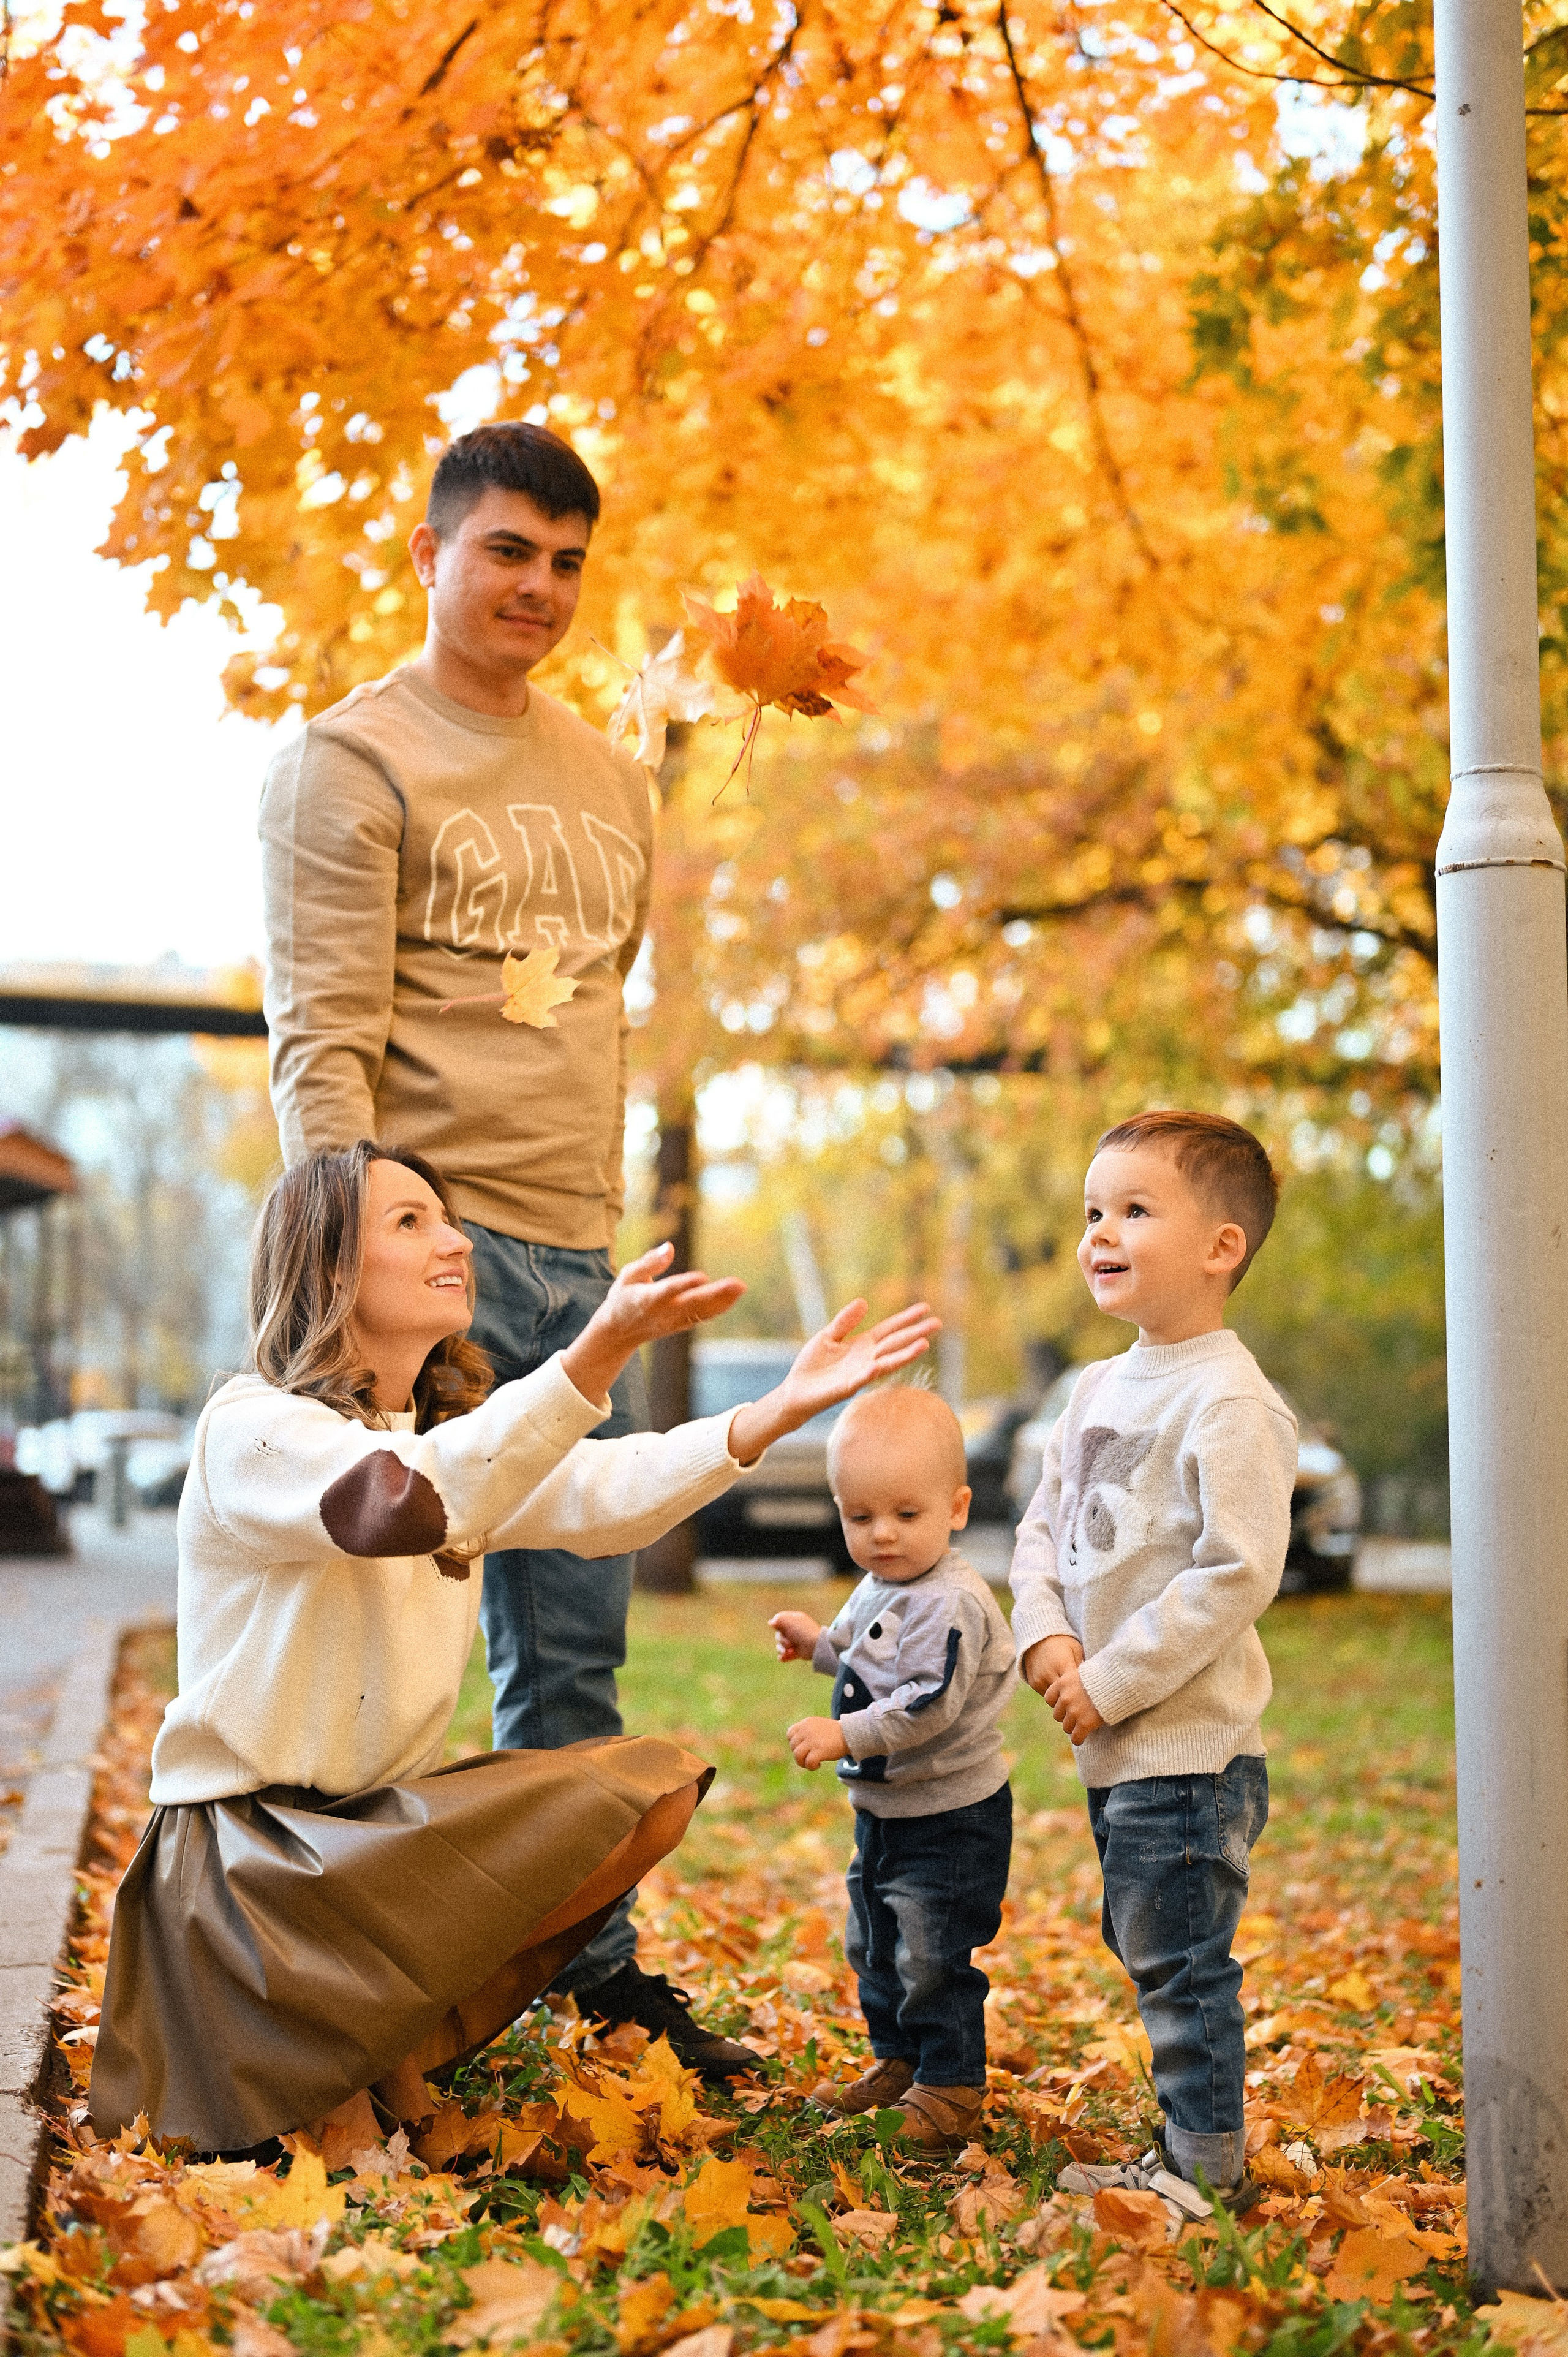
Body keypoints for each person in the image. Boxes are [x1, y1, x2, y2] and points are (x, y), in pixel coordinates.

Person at [89, 1142, 938, 2162]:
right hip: (245, 1872)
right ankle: (331, 2065)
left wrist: (776, 1410)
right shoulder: (254, 1428)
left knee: (648, 1789)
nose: (454, 1240)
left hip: (366, 1837)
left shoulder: (445, 1440)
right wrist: (594, 1353)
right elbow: (400, 1499)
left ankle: (379, 2045)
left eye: (447, 1217)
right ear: (328, 1266)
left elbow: (607, 1493)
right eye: (410, 1222)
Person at [259, 421, 742, 2070]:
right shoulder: (349, 761)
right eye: (507, 550)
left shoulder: (615, 779)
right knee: (360, 1641)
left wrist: (599, 1245)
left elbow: (589, 1013)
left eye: (567, 561)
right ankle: (310, 1979)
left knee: (573, 1656)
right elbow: (325, 1036)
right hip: (418, 1263)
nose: (539, 585)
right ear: (431, 552)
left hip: (575, 1260)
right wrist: (344, 1264)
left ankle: (589, 1984)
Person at [1010, 1109, 1297, 2211]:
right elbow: (1043, 1526)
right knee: (1146, 1942)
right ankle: (1185, 2146)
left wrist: (1110, 1678)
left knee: (1181, 1961)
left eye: (1135, 1209)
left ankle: (1202, 2172)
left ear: (1223, 1246)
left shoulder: (1229, 1399)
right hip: (1118, 1741)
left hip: (1188, 1749)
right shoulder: (1093, 1390)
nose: (1100, 1232)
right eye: (1093, 1210)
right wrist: (1046, 1631)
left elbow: (1236, 1571)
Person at [767, 1386, 1017, 2155]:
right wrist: (818, 1645)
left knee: (930, 1951)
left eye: (906, 1514)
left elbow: (925, 1704)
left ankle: (950, 2084)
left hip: (949, 1817)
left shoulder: (948, 1601)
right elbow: (867, 1656)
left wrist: (843, 1733)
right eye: (860, 1516)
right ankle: (900, 2062)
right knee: (874, 1942)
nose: (882, 1533)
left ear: (957, 1508)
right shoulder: (886, 1582)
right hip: (887, 1810)